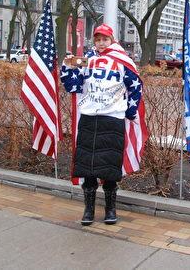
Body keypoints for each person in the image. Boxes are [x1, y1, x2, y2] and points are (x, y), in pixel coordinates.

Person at [60, 24, 142, 226]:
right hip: (89, 118)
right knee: (87, 166)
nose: (101, 43)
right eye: (98, 39)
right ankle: (88, 210)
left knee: (109, 166)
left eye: (105, 39)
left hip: (112, 118)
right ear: (94, 42)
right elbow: (73, 85)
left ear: (112, 40)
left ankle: (110, 209)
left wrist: (130, 111)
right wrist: (67, 67)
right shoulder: (88, 61)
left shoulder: (124, 62)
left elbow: (136, 86)